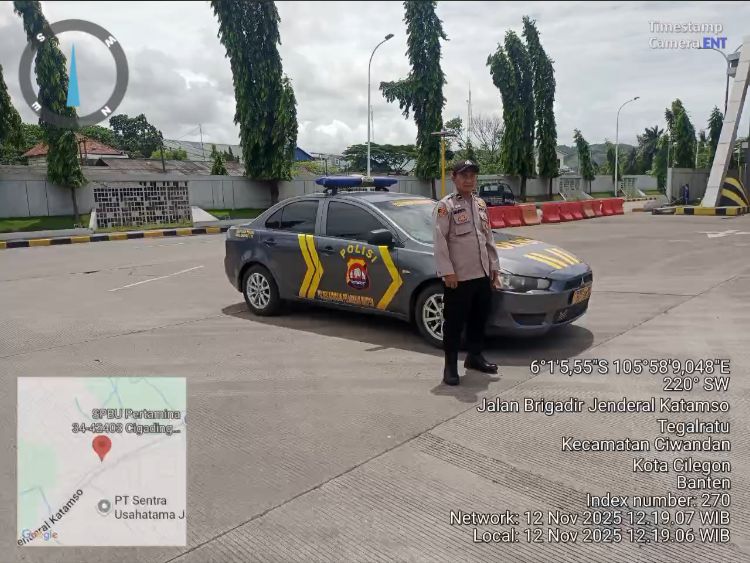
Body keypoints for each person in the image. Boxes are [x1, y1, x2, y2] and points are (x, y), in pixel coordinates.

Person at [434, 159, 500, 386]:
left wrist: (494, 267)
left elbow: (488, 238)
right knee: (453, 323)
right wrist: (447, 272)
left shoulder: (480, 204)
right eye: (464, 175)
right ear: (454, 177)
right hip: (458, 277)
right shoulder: (446, 206)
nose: (469, 180)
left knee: (479, 319)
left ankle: (475, 357)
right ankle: (450, 367)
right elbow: (440, 241)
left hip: (481, 274)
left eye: (472, 176)